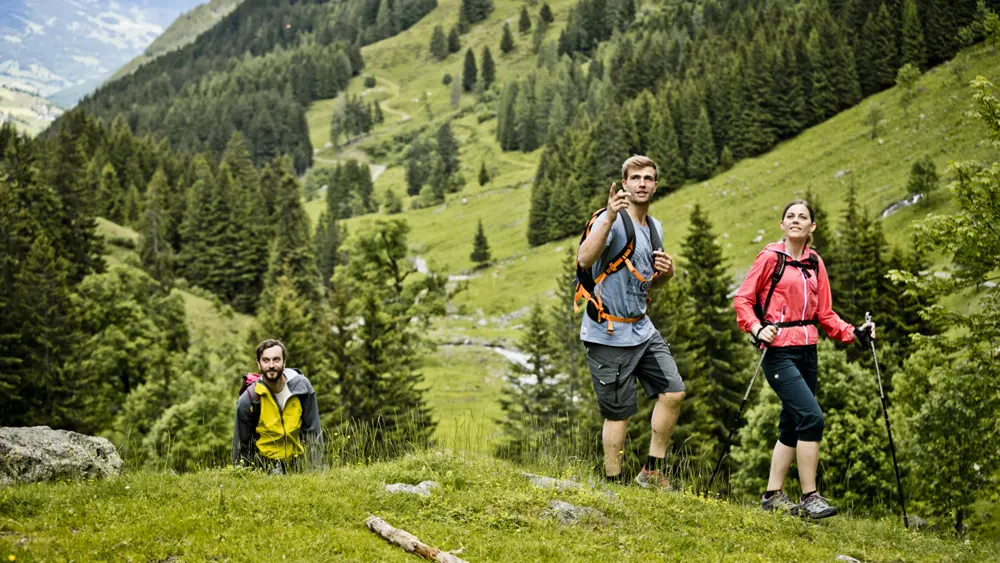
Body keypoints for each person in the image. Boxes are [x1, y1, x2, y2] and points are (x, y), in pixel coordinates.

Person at [733, 200, 874, 519]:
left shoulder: (815, 263)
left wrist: (854, 333)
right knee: (812, 417)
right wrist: (757, 328)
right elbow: (743, 300)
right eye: (790, 216)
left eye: (803, 217)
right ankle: (810, 497)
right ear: (782, 225)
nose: (796, 220)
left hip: (808, 350)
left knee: (792, 423)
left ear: (812, 227)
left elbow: (824, 313)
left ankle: (772, 495)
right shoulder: (770, 258)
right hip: (778, 351)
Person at [577, 154, 686, 490]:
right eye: (635, 177)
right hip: (608, 332)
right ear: (624, 183)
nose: (642, 183)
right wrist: (609, 216)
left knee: (674, 392)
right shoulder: (609, 220)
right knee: (618, 413)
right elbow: (583, 258)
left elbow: (649, 283)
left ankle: (652, 471)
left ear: (655, 184)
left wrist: (666, 275)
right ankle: (614, 483)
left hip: (641, 327)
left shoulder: (655, 228)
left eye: (648, 178)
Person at [233, 339, 324, 472]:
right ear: (259, 364)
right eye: (266, 360)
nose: (271, 365)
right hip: (263, 467)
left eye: (276, 360)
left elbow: (313, 432)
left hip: (296, 464)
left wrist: (316, 470)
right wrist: (241, 475)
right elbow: (241, 445)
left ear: (284, 362)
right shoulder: (249, 399)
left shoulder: (302, 388)